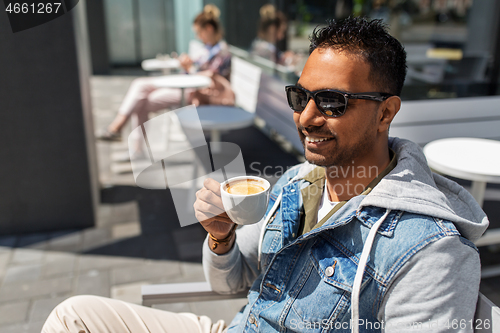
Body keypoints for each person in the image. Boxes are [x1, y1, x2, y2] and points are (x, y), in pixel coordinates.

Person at [42, 17, 488, 333]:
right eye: (301, 97)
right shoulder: (296, 184)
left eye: (332, 102)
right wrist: (221, 237)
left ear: (386, 112)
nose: (307, 118)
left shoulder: (430, 252)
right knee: (73, 316)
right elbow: (229, 283)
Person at [97, 4, 233, 151]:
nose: (198, 37)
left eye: (199, 32)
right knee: (140, 85)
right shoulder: (207, 48)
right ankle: (121, 132)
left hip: (195, 92)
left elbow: (209, 80)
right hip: (186, 84)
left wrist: (190, 68)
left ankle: (128, 141)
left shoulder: (222, 51)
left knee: (141, 101)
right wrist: (188, 65)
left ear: (209, 29)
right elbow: (198, 69)